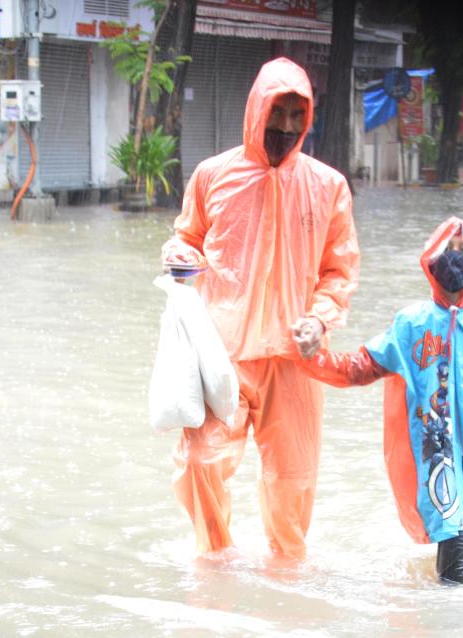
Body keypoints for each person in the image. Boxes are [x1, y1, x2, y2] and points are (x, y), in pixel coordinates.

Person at [160, 57, 360, 561]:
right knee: (200, 464)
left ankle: (285, 586)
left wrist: (319, 318)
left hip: (298, 358)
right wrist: (180, 258)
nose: (286, 127)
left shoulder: (329, 186)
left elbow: (340, 270)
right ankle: (214, 567)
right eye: (278, 112)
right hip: (222, 353)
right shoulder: (212, 176)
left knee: (292, 484)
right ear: (257, 110)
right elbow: (187, 239)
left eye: (298, 115)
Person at [295, 217, 463, 584]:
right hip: (436, 453)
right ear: (431, 260)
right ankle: (450, 615)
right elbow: (362, 366)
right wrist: (314, 357)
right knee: (453, 539)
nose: (455, 260)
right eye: (447, 252)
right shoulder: (411, 324)